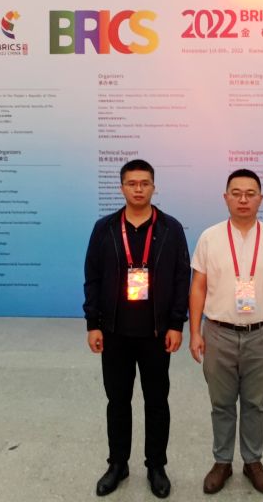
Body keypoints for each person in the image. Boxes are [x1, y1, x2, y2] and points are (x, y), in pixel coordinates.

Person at [83, 159, 190, 499]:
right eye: (132, 183)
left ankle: (156, 466)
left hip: (156, 334)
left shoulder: (171, 228)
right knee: (118, 401)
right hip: (114, 332)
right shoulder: (105, 228)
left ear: (154, 187)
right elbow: (92, 277)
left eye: (144, 183)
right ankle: (117, 464)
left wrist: (177, 324)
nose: (139, 189)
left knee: (157, 401)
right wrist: (93, 324)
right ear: (122, 188)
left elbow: (181, 278)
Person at [188, 168, 263, 495]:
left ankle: (252, 461)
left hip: (261, 334)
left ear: (260, 198)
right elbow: (198, 287)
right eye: (236, 193)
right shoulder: (210, 237)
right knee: (221, 403)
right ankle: (222, 461)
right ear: (226, 198)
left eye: (250, 194)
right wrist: (195, 333)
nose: (243, 199)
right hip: (218, 332)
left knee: (255, 403)